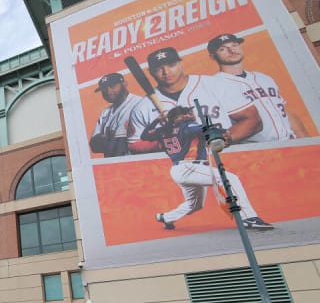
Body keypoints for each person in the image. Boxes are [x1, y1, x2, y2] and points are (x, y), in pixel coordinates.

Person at [141, 106, 273, 230]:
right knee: (229, 179)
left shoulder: (163, 131)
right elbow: (202, 130)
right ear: (179, 117)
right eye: (187, 113)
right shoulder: (187, 124)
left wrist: (157, 120)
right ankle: (248, 217)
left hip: (181, 169)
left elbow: (144, 136)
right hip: (189, 166)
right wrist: (223, 132)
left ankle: (166, 217)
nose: (191, 114)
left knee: (194, 204)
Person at [128, 47, 263, 154]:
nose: (166, 72)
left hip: (224, 156)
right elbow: (133, 145)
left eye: (171, 65)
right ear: (151, 72)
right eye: (158, 68)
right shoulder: (142, 107)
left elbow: (253, 120)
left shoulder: (214, 84)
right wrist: (163, 145)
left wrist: (226, 137)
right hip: (178, 166)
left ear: (181, 64)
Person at [207, 33, 309, 141]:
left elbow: (283, 110)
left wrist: (304, 138)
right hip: (257, 147)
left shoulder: (263, 78)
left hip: (290, 142)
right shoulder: (215, 84)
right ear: (213, 57)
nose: (231, 50)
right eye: (222, 49)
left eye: (234, 45)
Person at [89, 72, 141, 157]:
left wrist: (106, 139)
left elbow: (122, 146)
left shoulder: (139, 104)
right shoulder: (105, 112)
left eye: (112, 86)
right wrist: (113, 141)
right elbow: (94, 146)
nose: (108, 92)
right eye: (104, 89)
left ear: (124, 84)